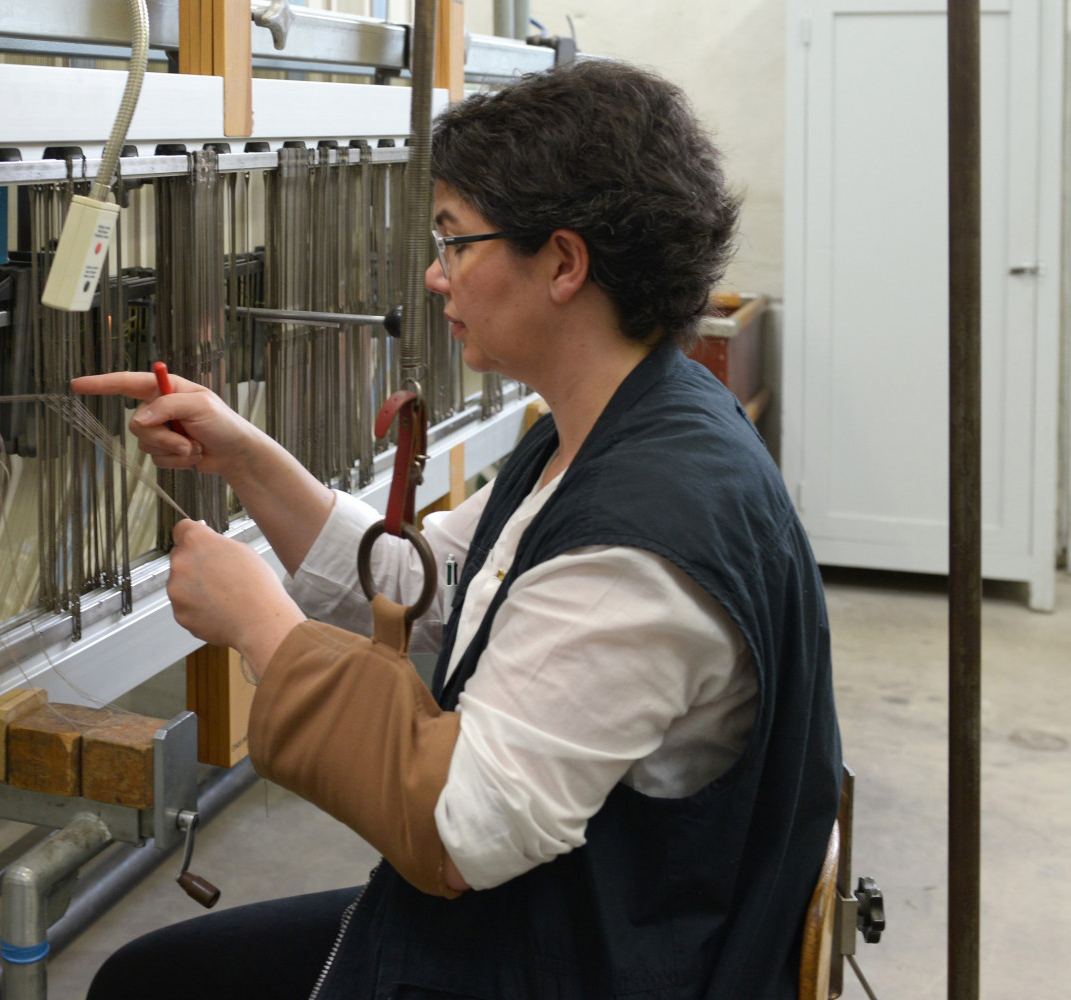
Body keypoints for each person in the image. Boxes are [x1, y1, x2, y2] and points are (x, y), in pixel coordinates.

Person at [74, 58, 841, 1000]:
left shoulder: (641, 543)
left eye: (454, 241)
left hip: (578, 960)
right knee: (157, 977)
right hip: (554, 915)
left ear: (563, 262)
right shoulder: (611, 421)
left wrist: (261, 627)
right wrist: (245, 458)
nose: (436, 279)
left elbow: (456, 831)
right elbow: (436, 588)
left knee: (153, 990)